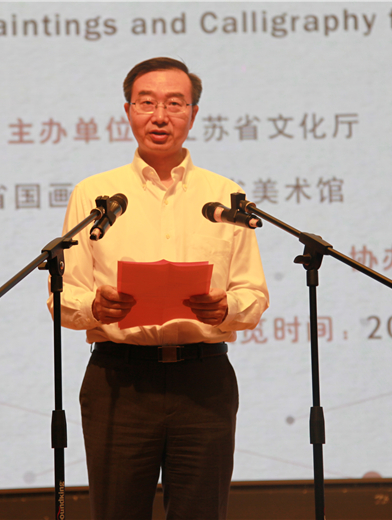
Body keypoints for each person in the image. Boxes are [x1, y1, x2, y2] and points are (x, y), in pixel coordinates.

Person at [48, 57, 269, 520]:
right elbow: (62, 296)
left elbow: (253, 293)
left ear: (194, 113)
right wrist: (96, 307)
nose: (160, 116)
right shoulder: (95, 195)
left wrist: (225, 308)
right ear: (128, 111)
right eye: (146, 103)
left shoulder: (225, 197)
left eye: (175, 104)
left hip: (204, 381)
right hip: (118, 381)